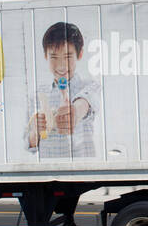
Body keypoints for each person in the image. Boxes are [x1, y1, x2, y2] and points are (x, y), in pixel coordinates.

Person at [26, 22, 100, 158]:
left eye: (67, 57)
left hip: (83, 171)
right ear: (45, 56)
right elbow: (30, 145)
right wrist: (35, 132)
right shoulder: (36, 95)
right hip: (49, 173)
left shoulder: (90, 86)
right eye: (54, 57)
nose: (61, 65)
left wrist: (75, 113)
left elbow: (86, 101)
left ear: (80, 54)